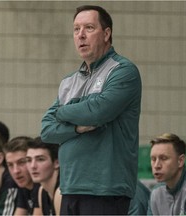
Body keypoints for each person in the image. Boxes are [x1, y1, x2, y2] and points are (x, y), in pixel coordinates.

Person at [41, 5, 142, 215]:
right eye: (76, 29)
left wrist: (62, 111)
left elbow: (97, 112)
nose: (81, 35)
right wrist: (77, 128)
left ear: (106, 34)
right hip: (70, 186)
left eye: (89, 27)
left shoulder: (123, 71)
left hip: (105, 189)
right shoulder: (69, 81)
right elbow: (47, 130)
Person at [3, 136, 42, 215]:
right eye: (10, 165)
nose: (16, 171)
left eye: (21, 162)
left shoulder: (41, 186)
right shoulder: (24, 186)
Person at [26, 137, 61, 215]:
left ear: (57, 163)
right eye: (29, 160)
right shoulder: (42, 191)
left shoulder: (61, 192)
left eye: (40, 159)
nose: (32, 166)